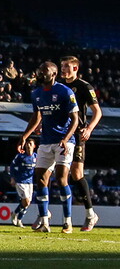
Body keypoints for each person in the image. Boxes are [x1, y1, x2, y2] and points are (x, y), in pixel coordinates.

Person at [17, 61, 80, 233]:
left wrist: (66, 139)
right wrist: (24, 136)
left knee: (61, 179)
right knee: (41, 180)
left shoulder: (64, 92)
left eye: (44, 71)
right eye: (39, 70)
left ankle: (67, 221)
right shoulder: (36, 93)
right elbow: (36, 116)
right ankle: (44, 221)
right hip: (45, 142)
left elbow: (75, 119)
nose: (39, 73)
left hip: (64, 141)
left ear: (53, 74)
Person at [59, 56, 102, 231]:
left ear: (75, 69)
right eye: (62, 66)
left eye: (67, 67)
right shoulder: (58, 87)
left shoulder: (84, 87)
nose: (63, 69)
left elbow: (97, 111)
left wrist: (89, 128)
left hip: (77, 135)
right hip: (59, 133)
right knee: (51, 172)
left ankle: (90, 214)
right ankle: (44, 215)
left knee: (76, 174)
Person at [10, 138, 37, 227]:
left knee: (27, 203)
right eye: (27, 143)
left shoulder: (36, 157)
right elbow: (12, 166)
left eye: (30, 143)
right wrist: (12, 178)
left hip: (30, 182)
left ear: (34, 146)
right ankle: (15, 214)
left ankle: (19, 219)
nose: (28, 145)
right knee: (26, 201)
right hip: (20, 181)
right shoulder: (20, 156)